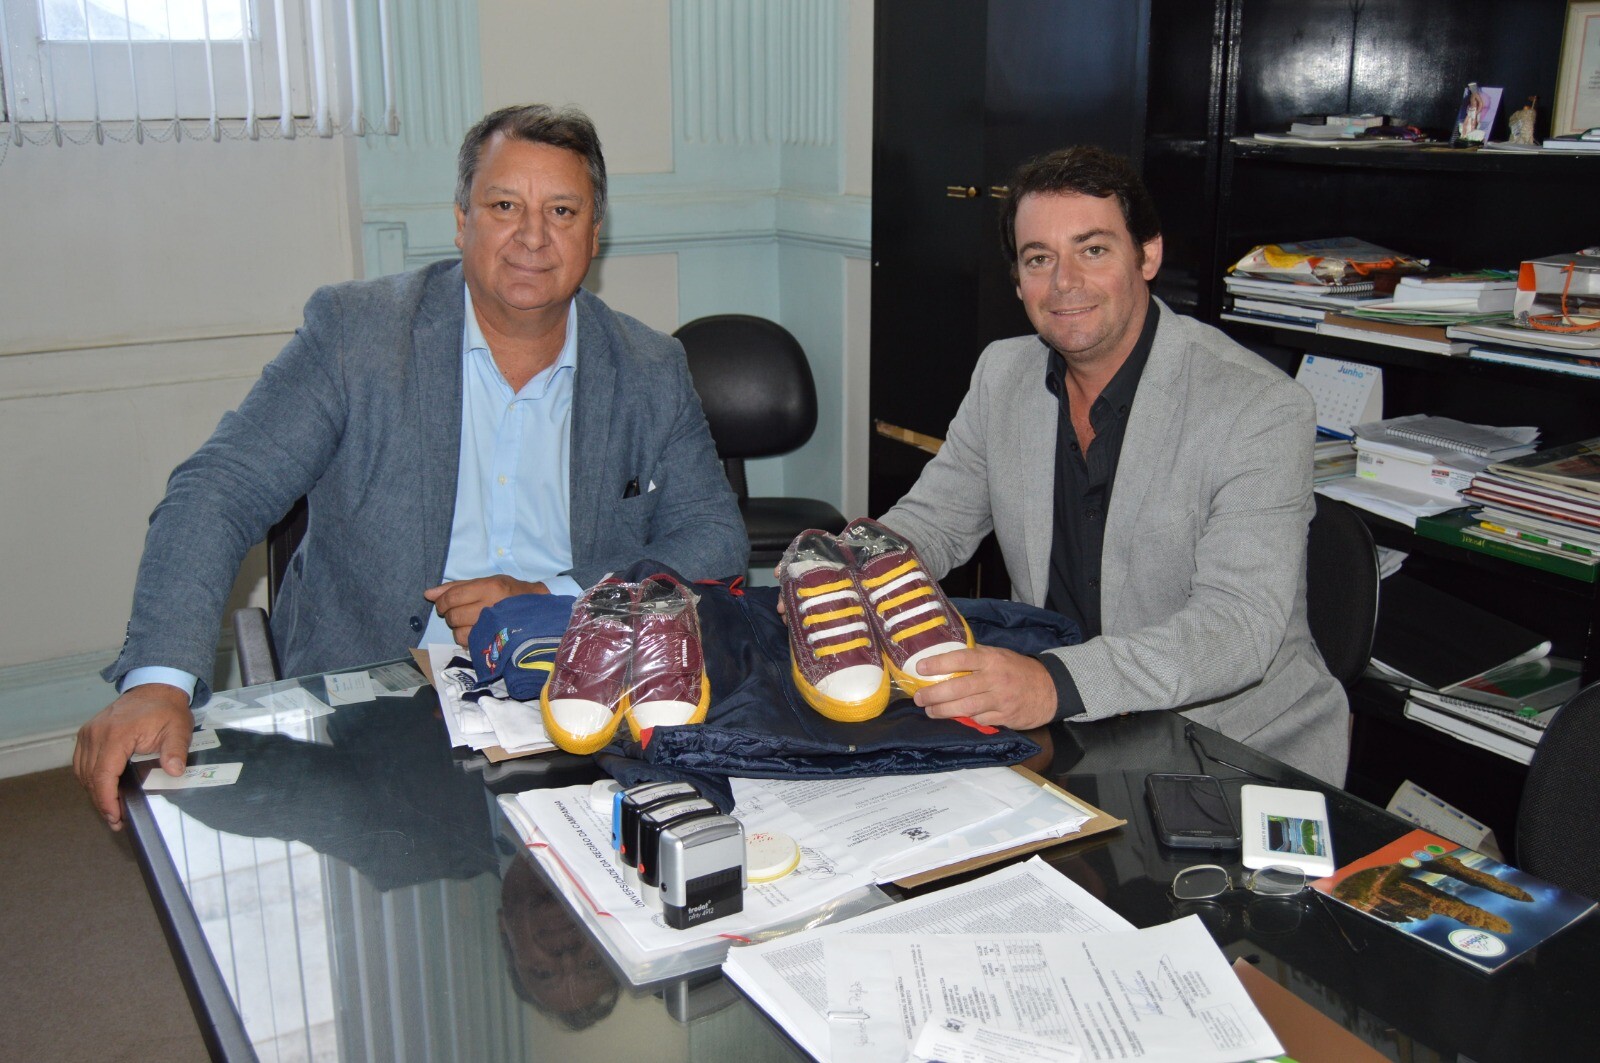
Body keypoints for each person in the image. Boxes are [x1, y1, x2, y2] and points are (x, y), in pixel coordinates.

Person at [76, 104, 748, 828]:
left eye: (561, 210)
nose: (532, 236)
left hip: (580, 687)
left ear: (594, 234)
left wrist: (550, 597)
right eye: (504, 206)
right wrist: (159, 680)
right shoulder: (357, 336)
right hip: (377, 711)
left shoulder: (649, 367)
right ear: (461, 221)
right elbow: (218, 490)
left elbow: (713, 539)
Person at [878, 146, 1347, 784]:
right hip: (1063, 733)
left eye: (1093, 249)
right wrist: (854, 563)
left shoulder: (1257, 407)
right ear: (1018, 280)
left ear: (1147, 256)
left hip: (1225, 748)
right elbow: (935, 520)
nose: (1064, 283)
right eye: (1039, 259)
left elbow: (1237, 628)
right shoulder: (1002, 373)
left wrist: (1053, 683)